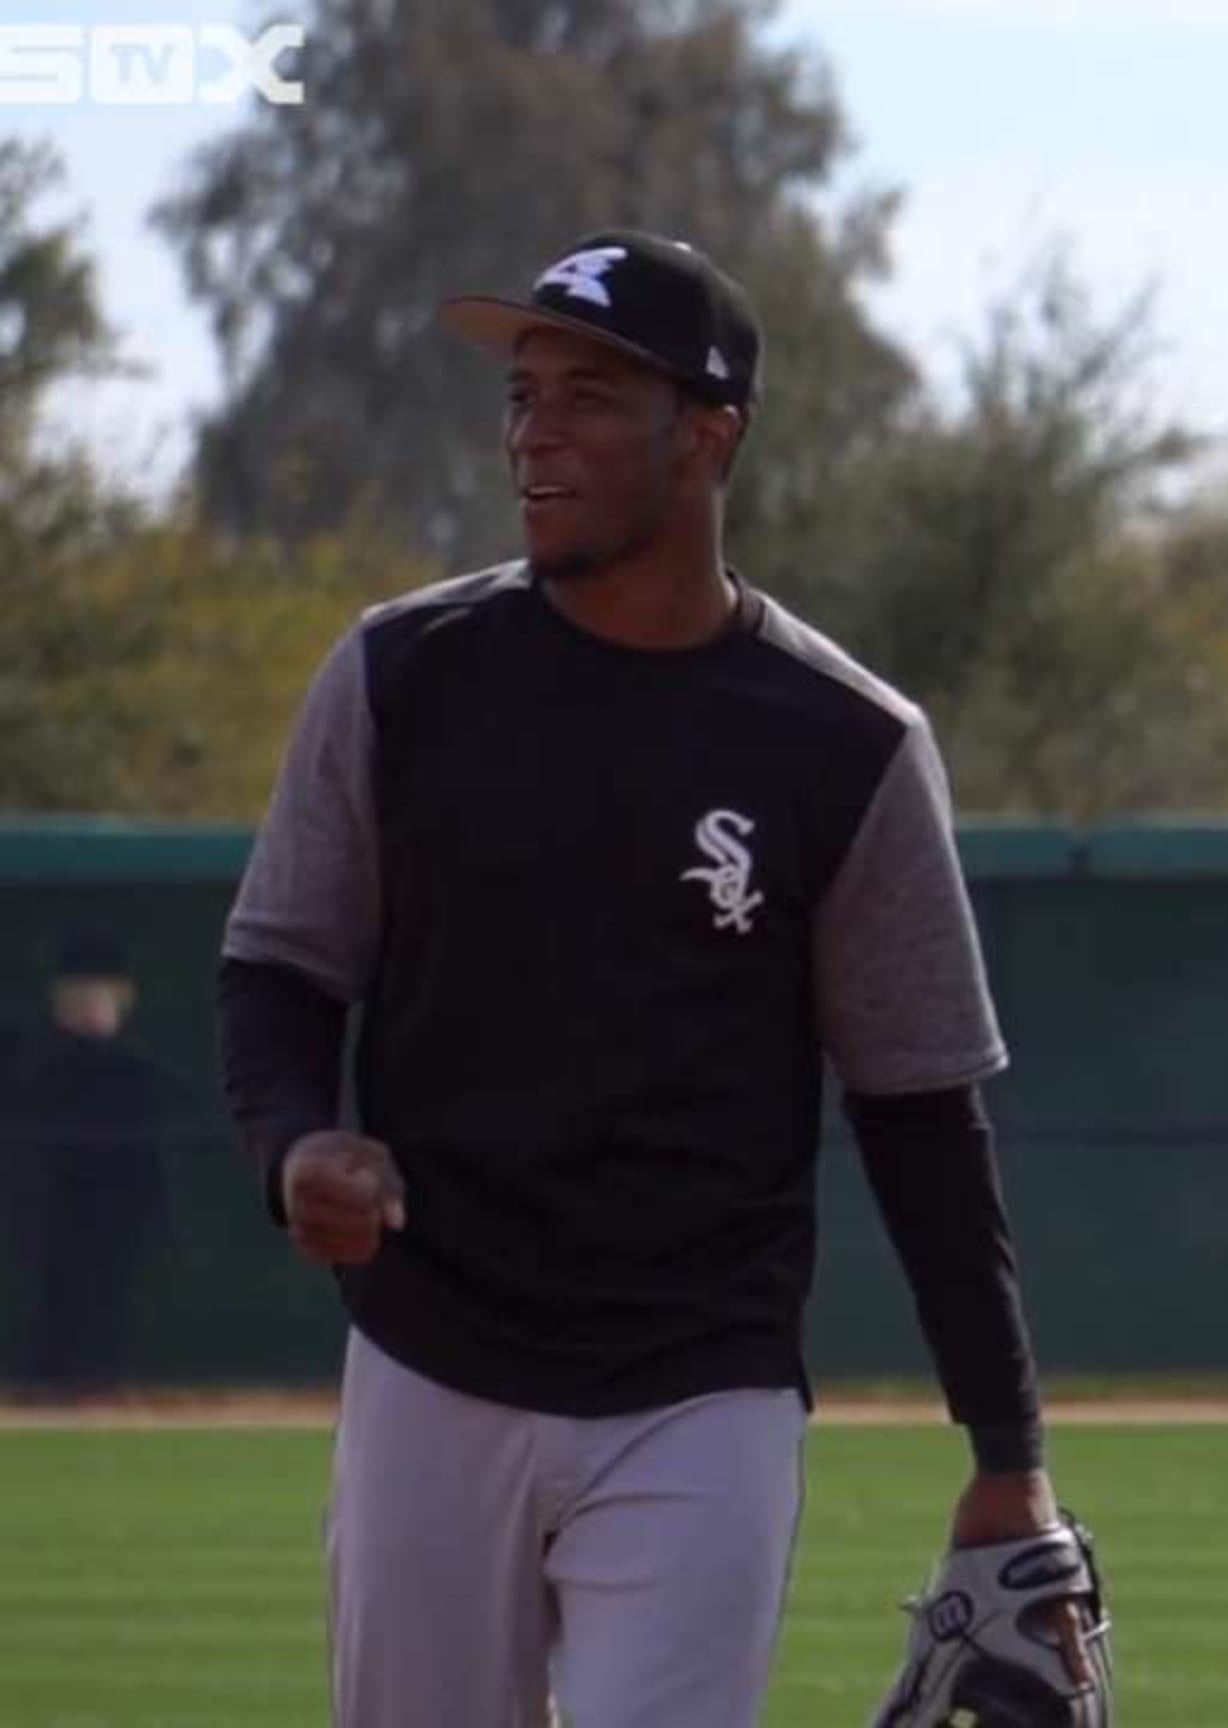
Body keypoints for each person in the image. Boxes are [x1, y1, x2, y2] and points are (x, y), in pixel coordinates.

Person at [217, 230, 1093, 1728]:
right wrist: (294, 1138)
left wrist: (1008, 1454)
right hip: (433, 1358)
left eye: (592, 393)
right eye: (523, 392)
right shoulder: (400, 673)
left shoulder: (847, 742)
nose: (535, 428)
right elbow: (280, 966)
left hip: (702, 1387)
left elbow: (922, 1113)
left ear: (710, 433)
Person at [17, 930, 167, 1396]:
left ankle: (110, 1384)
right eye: (76, 992)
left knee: (114, 1295)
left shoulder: (142, 1071)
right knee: (57, 1292)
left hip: (122, 1208)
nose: (87, 1002)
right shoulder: (36, 1070)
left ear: (124, 996)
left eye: (97, 991)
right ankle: (47, 1387)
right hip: (52, 1206)